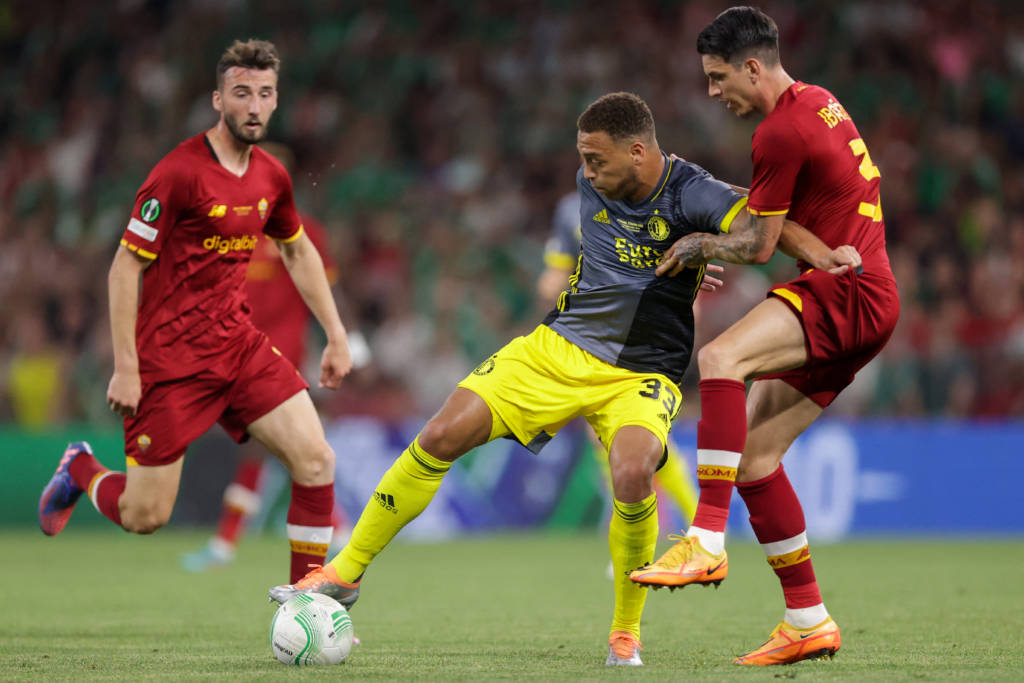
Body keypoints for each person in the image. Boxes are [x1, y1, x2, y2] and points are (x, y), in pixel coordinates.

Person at [268, 92, 853, 666]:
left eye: (597, 159)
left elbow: (764, 223)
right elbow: (616, 255)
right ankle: (346, 572)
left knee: (632, 471)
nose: (586, 171)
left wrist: (818, 256)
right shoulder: (592, 183)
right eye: (583, 158)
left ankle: (625, 634)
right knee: (441, 433)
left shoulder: (692, 190)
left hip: (643, 371)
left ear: (638, 152)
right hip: (558, 347)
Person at [630, 7, 898, 666]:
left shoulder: (778, 133)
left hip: (848, 292)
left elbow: (756, 244)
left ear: (753, 67)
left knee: (721, 356)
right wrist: (813, 246)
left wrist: (699, 244)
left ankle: (705, 538)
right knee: (754, 459)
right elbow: (787, 219)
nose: (713, 91)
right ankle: (808, 619)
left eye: (719, 77)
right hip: (865, 288)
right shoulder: (819, 103)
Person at [38, 39, 354, 586]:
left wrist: (336, 334)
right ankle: (80, 468)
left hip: (238, 344)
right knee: (145, 515)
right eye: (241, 93)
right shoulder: (178, 173)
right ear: (218, 100)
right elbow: (124, 268)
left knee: (316, 460)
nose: (253, 106)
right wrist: (127, 367)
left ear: (276, 101)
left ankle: (308, 599)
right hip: (170, 358)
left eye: (264, 94)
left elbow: (298, 250)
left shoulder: (272, 176)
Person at [180, 142, 363, 572]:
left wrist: (348, 339)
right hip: (234, 355)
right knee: (283, 450)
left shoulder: (302, 231)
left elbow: (328, 290)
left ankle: (226, 543)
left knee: (266, 449)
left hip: (279, 358)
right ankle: (339, 533)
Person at [538, 191, 702, 530]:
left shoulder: (652, 199)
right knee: (606, 431)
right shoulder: (571, 209)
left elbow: (679, 265)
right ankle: (680, 520)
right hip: (602, 331)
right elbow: (556, 273)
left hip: (644, 326)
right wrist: (553, 286)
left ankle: (688, 520)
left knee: (631, 430)